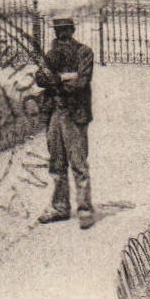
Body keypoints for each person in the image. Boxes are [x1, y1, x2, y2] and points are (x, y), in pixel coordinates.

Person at [36, 15, 96, 229]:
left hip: (75, 113)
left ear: (72, 31)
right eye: (58, 31)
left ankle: (84, 208)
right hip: (54, 112)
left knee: (78, 161)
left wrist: (59, 79)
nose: (62, 35)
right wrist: (53, 78)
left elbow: (81, 81)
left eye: (65, 30)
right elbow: (40, 78)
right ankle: (60, 206)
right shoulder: (51, 55)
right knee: (56, 161)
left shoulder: (84, 52)